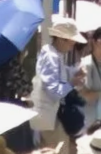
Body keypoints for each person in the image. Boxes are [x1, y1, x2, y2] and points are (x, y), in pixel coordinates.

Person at [36, 17, 84, 153]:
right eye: (71, 41)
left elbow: (60, 75)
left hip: (52, 116)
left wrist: (74, 72)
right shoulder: (51, 56)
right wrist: (71, 83)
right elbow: (53, 91)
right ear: (61, 39)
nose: (72, 45)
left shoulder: (54, 55)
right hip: (51, 117)